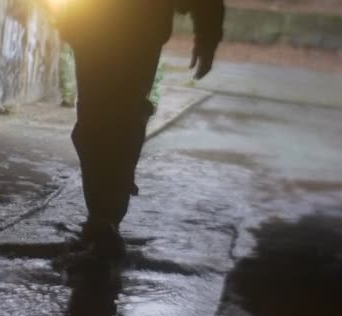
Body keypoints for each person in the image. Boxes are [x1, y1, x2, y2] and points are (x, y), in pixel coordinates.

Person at [50, 0, 225, 261]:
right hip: (113, 29)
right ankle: (103, 217)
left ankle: (104, 218)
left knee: (109, 120)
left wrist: (207, 36)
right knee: (106, 121)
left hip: (120, 30)